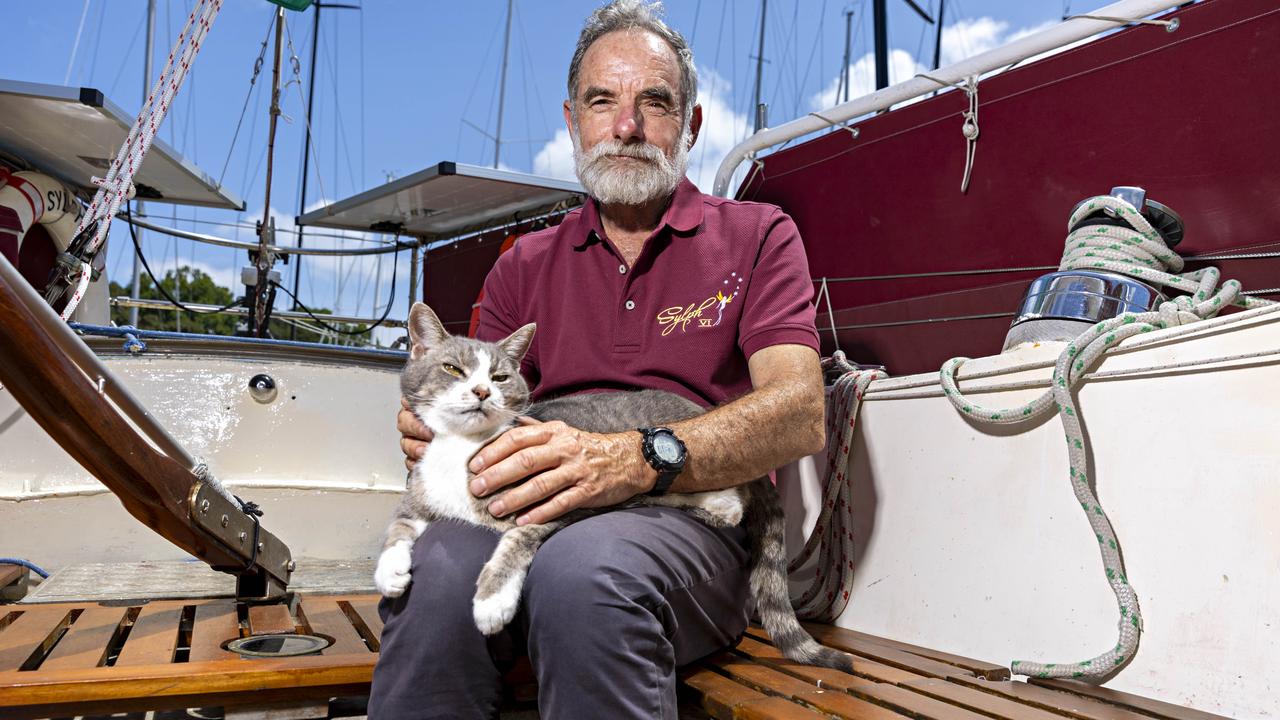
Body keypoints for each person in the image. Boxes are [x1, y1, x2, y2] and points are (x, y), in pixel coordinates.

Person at [371, 1, 824, 717]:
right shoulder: (523, 264)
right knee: (434, 570)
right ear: (572, 120)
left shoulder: (760, 236)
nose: (626, 126)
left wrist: (638, 458)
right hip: (534, 513)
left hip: (685, 521)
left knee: (586, 574)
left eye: (655, 101)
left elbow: (799, 415)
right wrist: (431, 429)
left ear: (692, 125)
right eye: (602, 101)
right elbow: (477, 400)